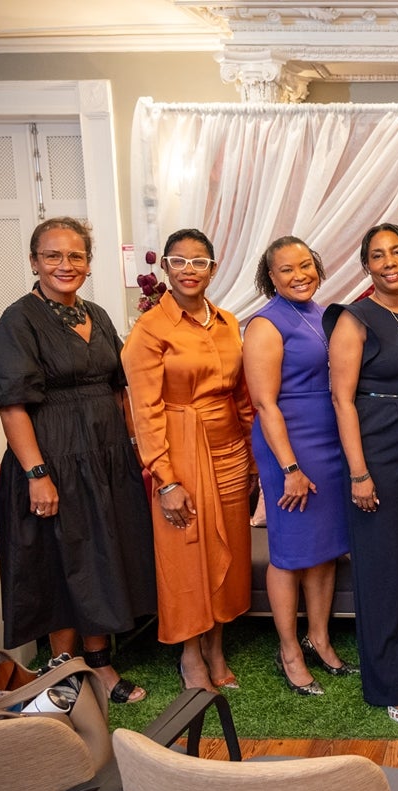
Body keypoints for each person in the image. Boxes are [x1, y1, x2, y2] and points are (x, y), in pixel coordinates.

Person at [0, 216, 156, 704]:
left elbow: (119, 387)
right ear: (34, 262)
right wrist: (37, 474)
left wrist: (132, 445)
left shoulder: (95, 312)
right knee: (62, 558)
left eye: (76, 256)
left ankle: (98, 661)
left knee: (100, 558)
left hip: (104, 457)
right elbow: (11, 405)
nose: (65, 265)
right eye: (52, 256)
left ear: (89, 263)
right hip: (53, 457)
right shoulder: (19, 320)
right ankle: (64, 667)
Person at [123, 228, 253, 692]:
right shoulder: (150, 330)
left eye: (199, 262)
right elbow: (145, 411)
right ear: (166, 269)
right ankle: (191, 653)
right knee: (187, 553)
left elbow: (241, 394)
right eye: (179, 261)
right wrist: (166, 479)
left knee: (230, 552)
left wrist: (254, 455)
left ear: (213, 269)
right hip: (179, 452)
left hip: (231, 451)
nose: (189, 271)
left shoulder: (227, 321)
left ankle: (217, 647)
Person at [324, 223, 398, 726]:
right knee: (383, 566)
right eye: (378, 255)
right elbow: (341, 399)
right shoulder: (355, 318)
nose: (390, 261)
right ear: (365, 266)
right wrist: (358, 473)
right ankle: (389, 686)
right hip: (378, 446)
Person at [244, 235, 354, 697]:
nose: (299, 275)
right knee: (289, 553)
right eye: (287, 269)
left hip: (328, 442)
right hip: (288, 446)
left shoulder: (322, 313)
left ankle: (320, 638)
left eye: (305, 265)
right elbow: (264, 403)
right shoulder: (265, 324)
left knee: (325, 548)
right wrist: (289, 467)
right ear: (272, 277)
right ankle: (289, 650)